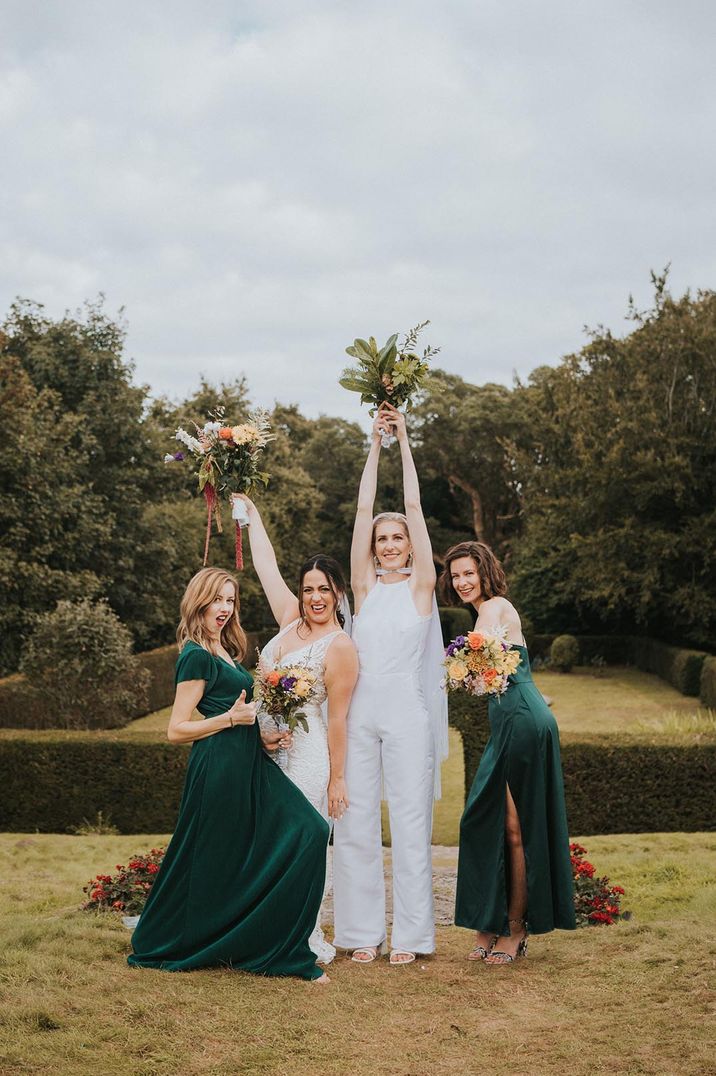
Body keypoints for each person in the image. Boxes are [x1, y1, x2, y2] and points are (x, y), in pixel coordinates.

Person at [127, 566, 330, 982]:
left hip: (249, 761)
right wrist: (231, 721)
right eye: (216, 599)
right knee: (218, 856)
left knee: (308, 830)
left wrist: (260, 739)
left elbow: (238, 712)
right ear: (199, 601)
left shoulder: (226, 649)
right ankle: (227, 942)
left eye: (230, 600)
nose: (223, 608)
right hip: (218, 767)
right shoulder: (196, 655)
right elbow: (176, 729)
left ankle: (258, 937)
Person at [333, 402, 448, 966]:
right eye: (382, 539)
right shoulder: (363, 587)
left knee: (408, 822)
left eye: (396, 537)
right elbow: (361, 508)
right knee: (353, 820)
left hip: (407, 711)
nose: (388, 543)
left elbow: (415, 504)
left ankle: (411, 938)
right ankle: (359, 934)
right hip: (360, 711)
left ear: (409, 543)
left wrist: (403, 438)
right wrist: (372, 441)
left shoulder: (423, 586)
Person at [236, 494, 359, 965]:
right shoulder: (289, 621)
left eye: (324, 588)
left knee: (302, 844)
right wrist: (253, 515)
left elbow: (337, 718)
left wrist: (337, 779)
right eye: (308, 588)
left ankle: (300, 934)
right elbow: (266, 566)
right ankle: (262, 930)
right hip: (263, 750)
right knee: (264, 842)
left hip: (307, 757)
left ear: (338, 593)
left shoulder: (341, 647)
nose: (315, 597)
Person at [441, 540, 576, 965]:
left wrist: (456, 664)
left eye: (469, 573)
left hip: (523, 720)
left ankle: (515, 931)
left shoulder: (494, 607)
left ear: (484, 573)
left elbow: (479, 654)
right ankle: (491, 921)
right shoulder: (485, 611)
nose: (462, 581)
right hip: (508, 723)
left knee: (516, 829)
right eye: (456, 575)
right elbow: (485, 674)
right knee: (484, 819)